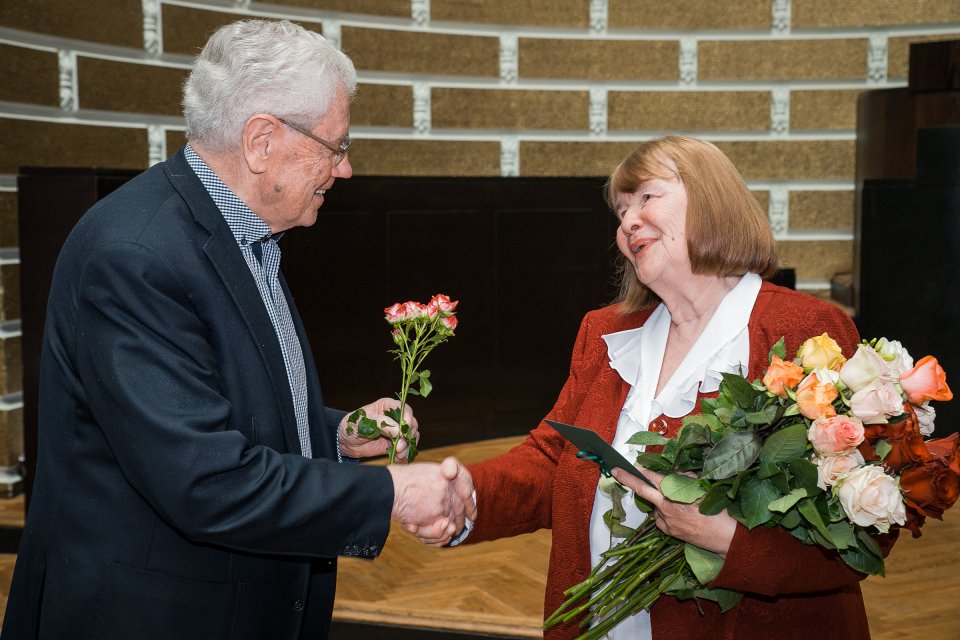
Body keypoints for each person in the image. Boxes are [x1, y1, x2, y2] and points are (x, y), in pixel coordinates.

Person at [3, 19, 475, 640]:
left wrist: (334, 434)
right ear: (261, 141)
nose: (346, 168)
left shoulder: (244, 235)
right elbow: (204, 477)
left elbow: (214, 407)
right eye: (336, 146)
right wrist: (391, 494)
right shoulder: (135, 254)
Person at [444, 136, 894, 639]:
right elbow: (553, 461)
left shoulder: (805, 328)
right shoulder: (608, 333)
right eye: (620, 211)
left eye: (646, 198)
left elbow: (867, 525)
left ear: (709, 198)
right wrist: (465, 498)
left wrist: (729, 540)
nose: (627, 222)